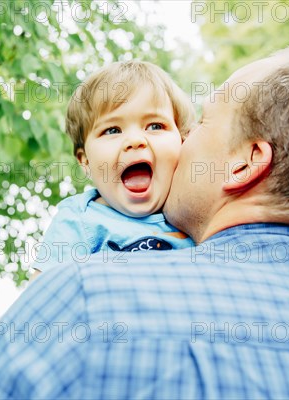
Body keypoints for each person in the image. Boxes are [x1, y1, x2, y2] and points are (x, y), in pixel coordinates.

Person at [0, 45, 289, 399]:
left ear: (245, 164)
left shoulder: (81, 300)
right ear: (84, 160)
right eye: (112, 131)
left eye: (200, 123)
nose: (176, 143)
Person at [33, 60, 195, 273]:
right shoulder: (79, 221)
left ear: (183, 141)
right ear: (85, 161)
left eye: (155, 126)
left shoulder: (194, 211)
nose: (135, 140)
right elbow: (42, 297)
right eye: (112, 130)